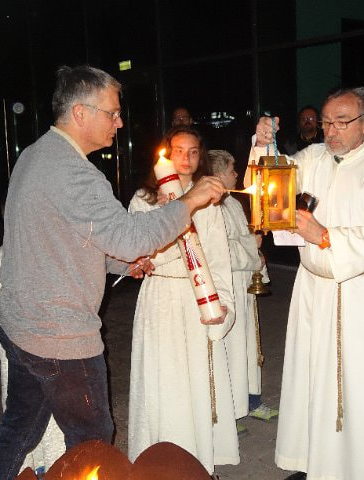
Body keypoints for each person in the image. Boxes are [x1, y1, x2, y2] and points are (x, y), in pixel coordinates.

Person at [0, 66, 225, 480]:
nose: (120, 122)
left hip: (23, 329)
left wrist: (120, 264)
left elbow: (64, 239)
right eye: (112, 112)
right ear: (80, 113)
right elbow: (129, 237)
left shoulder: (35, 154)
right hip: (60, 339)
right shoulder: (75, 173)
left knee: (19, 429)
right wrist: (190, 201)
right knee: (93, 445)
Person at [250, 87, 364, 479]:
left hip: (358, 292)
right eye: (326, 122)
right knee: (310, 377)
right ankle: (312, 463)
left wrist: (323, 236)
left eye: (341, 122)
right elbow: (268, 187)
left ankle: (361, 469)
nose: (330, 131)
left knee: (360, 385)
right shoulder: (310, 159)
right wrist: (263, 145)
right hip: (312, 289)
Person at [127, 127, 239, 475]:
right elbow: (140, 253)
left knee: (194, 382)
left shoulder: (209, 198)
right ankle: (156, 463)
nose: (186, 158)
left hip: (196, 301)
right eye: (178, 150)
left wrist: (223, 303)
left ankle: (197, 463)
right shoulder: (144, 200)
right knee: (163, 381)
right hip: (160, 298)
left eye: (193, 152)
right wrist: (163, 218)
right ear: (167, 153)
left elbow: (218, 257)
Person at [0, 247, 66, 476]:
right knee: (23, 419)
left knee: (56, 419)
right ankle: (27, 469)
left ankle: (54, 467)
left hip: (57, 353)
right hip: (18, 355)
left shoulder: (51, 252)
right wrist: (14, 325)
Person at [207, 149, 279, 426]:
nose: (236, 174)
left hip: (244, 285)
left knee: (249, 348)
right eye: (231, 170)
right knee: (232, 350)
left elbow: (243, 240)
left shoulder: (234, 204)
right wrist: (252, 246)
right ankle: (229, 412)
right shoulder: (209, 207)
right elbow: (218, 251)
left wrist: (258, 258)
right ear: (217, 174)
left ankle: (252, 401)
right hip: (228, 285)